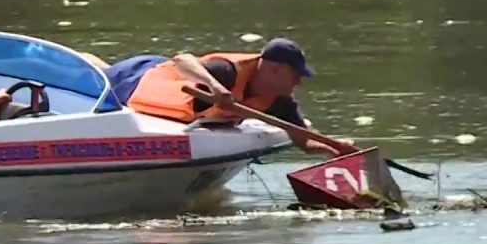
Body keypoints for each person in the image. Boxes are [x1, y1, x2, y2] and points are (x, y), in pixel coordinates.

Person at [102, 38, 346, 156]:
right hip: (138, 79)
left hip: (163, 81)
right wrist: (216, 88)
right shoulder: (225, 72)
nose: (298, 82)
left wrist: (332, 148)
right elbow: (182, 60)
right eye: (295, 75)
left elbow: (304, 140)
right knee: (97, 71)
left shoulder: (280, 101)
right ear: (274, 70)